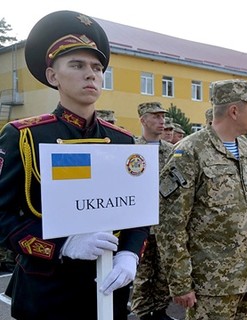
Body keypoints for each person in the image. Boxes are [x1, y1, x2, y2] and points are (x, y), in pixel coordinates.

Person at [0, 10, 149, 319]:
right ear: (53, 76)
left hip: (108, 286)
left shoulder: (121, 141)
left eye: (97, 67)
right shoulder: (24, 136)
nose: (90, 74)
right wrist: (62, 243)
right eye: (77, 65)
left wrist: (131, 255)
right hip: (47, 291)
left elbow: (138, 211)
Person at [155, 79, 247, 319]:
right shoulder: (189, 152)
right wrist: (180, 282)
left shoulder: (246, 149)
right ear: (234, 111)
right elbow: (170, 224)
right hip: (212, 285)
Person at [131, 102, 175, 320]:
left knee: (163, 271)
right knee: (143, 273)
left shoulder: (172, 151)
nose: (162, 121)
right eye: (156, 116)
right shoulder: (131, 148)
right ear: (143, 120)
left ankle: (159, 310)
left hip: (166, 224)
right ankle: (141, 312)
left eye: (163, 117)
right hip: (140, 224)